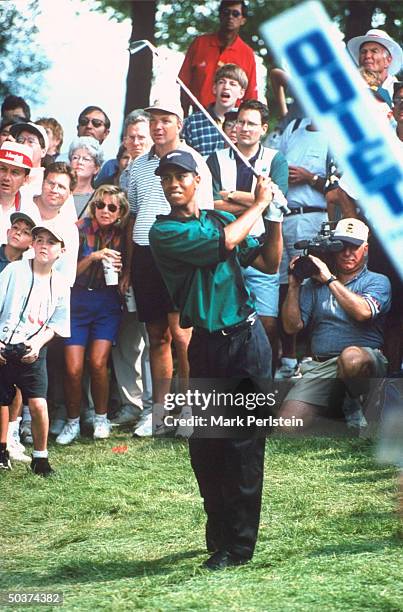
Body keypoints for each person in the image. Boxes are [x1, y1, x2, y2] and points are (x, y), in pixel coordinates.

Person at [149, 149, 282, 570]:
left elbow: (269, 260)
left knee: (242, 448)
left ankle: (238, 548)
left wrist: (274, 214)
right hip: (206, 344)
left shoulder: (222, 218)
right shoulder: (163, 231)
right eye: (166, 177)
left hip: (248, 340)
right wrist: (259, 203)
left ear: (196, 181)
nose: (173, 184)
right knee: (207, 448)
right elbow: (224, 245)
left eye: (180, 176)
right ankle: (219, 536)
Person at [121, 99, 214, 437]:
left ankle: (188, 409)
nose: (158, 127)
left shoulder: (194, 159)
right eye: (153, 120)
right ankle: (158, 412)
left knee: (182, 336)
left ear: (180, 123)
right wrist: (129, 268)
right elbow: (133, 214)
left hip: (180, 255)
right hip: (146, 254)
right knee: (156, 336)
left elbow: (204, 212)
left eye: (166, 120)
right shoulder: (138, 166)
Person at [280, 218, 391, 430]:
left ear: (365, 249)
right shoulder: (314, 284)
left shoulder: (377, 281)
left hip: (364, 362)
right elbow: (291, 327)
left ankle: (355, 405)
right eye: (342, 246)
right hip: (322, 365)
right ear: (333, 249)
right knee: (287, 425)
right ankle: (338, 409)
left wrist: (330, 279)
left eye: (354, 247)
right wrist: (294, 285)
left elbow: (363, 312)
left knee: (350, 357)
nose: (348, 253)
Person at [207, 99, 288, 359]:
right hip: (227, 247)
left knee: (268, 324)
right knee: (225, 324)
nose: (243, 128)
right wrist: (257, 200)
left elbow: (277, 200)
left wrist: (231, 195)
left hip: (262, 245)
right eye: (240, 122)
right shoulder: (216, 159)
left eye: (251, 124)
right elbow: (212, 205)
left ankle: (266, 391)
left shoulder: (276, 159)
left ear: (264, 128)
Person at [57, 186, 129, 445]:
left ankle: (101, 417)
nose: (105, 211)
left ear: (121, 211)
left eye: (112, 207)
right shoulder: (78, 228)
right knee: (73, 367)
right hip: (77, 300)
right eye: (101, 205)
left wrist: (123, 272)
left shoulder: (123, 233)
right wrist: (94, 257)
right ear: (94, 206)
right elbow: (65, 275)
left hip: (106, 302)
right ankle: (73, 421)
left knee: (99, 362)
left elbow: (130, 270)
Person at [0, 222, 70, 476]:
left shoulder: (61, 284)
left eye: (51, 242)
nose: (43, 245)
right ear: (32, 244)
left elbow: (57, 324)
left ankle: (40, 458)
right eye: (39, 239)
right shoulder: (14, 271)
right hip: (4, 344)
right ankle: (2, 450)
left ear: (61, 251)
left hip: (32, 349)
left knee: (39, 403)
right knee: (2, 400)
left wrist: (37, 344)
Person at [276, 117, 329, 379]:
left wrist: (310, 178)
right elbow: (277, 167)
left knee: (312, 281)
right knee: (286, 284)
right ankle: (288, 357)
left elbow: (338, 184)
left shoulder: (335, 133)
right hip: (286, 216)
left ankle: (311, 356)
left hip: (315, 216)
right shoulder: (294, 128)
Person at [178, 1, 257, 116]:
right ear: (220, 15)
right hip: (199, 115)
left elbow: (250, 96)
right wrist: (184, 117)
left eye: (235, 14)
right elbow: (184, 84)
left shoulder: (247, 53)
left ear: (243, 20)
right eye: (226, 12)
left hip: (231, 120)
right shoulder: (199, 43)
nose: (230, 17)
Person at [0, 212, 35, 469]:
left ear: (31, 242)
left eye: (25, 231)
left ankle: (11, 437)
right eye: (15, 227)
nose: (18, 232)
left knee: (17, 382)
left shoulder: (29, 268)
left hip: (14, 335)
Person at [181, 63, 247, 156]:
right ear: (215, 88)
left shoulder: (245, 123)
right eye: (221, 82)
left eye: (232, 84)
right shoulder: (192, 122)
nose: (226, 87)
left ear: (241, 93)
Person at [96, 109, 151, 189]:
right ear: (125, 141)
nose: (135, 142)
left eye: (141, 137)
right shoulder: (124, 176)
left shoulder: (162, 170)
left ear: (153, 139)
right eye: (132, 137)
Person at [0, 141, 38, 244]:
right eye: (2, 169)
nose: (7, 178)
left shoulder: (30, 210)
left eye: (15, 172)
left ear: (25, 179)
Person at [347, 29, 403, 98]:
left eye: (374, 51)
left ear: (388, 60)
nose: (367, 56)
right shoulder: (348, 86)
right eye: (363, 52)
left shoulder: (399, 92)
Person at [68, 136, 104, 218]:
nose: (79, 162)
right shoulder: (58, 192)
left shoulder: (99, 199)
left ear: (96, 168)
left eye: (86, 159)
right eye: (75, 158)